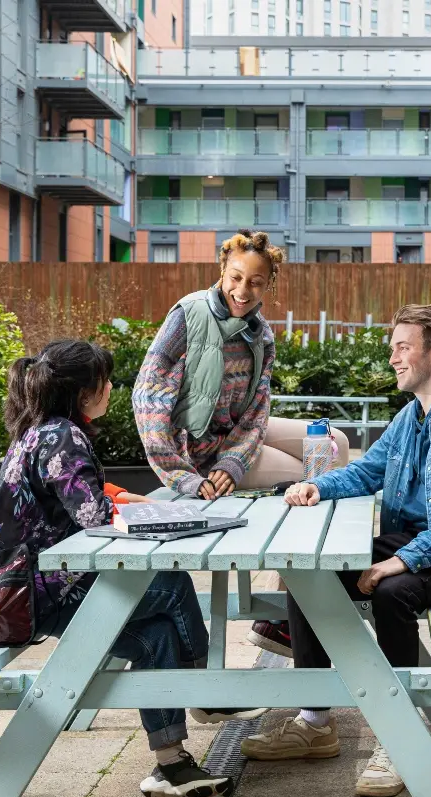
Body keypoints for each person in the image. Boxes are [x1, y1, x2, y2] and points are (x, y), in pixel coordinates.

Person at [240, 304, 431, 797]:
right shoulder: (412, 415)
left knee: (392, 590)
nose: (392, 357)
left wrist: (401, 560)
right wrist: (319, 487)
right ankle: (314, 721)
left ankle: (400, 736)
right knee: (313, 571)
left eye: (402, 347)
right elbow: (369, 471)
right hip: (416, 543)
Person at [0, 339, 242, 797]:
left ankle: (171, 766)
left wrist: (129, 503)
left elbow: (83, 498)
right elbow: (94, 519)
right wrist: (155, 517)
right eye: (107, 380)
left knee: (157, 636)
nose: (112, 388)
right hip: (38, 590)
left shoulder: (37, 427)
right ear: (86, 391)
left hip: (17, 588)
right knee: (174, 585)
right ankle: (206, 691)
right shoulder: (62, 435)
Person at [132, 229, 348, 659]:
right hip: (196, 453)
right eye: (235, 278)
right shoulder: (188, 316)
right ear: (221, 272)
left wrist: (233, 464)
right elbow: (148, 397)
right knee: (315, 480)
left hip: (231, 443)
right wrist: (184, 478)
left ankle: (285, 605)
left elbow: (257, 412)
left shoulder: (260, 333)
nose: (242, 290)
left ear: (269, 283)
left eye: (255, 282)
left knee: (335, 442)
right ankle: (290, 614)